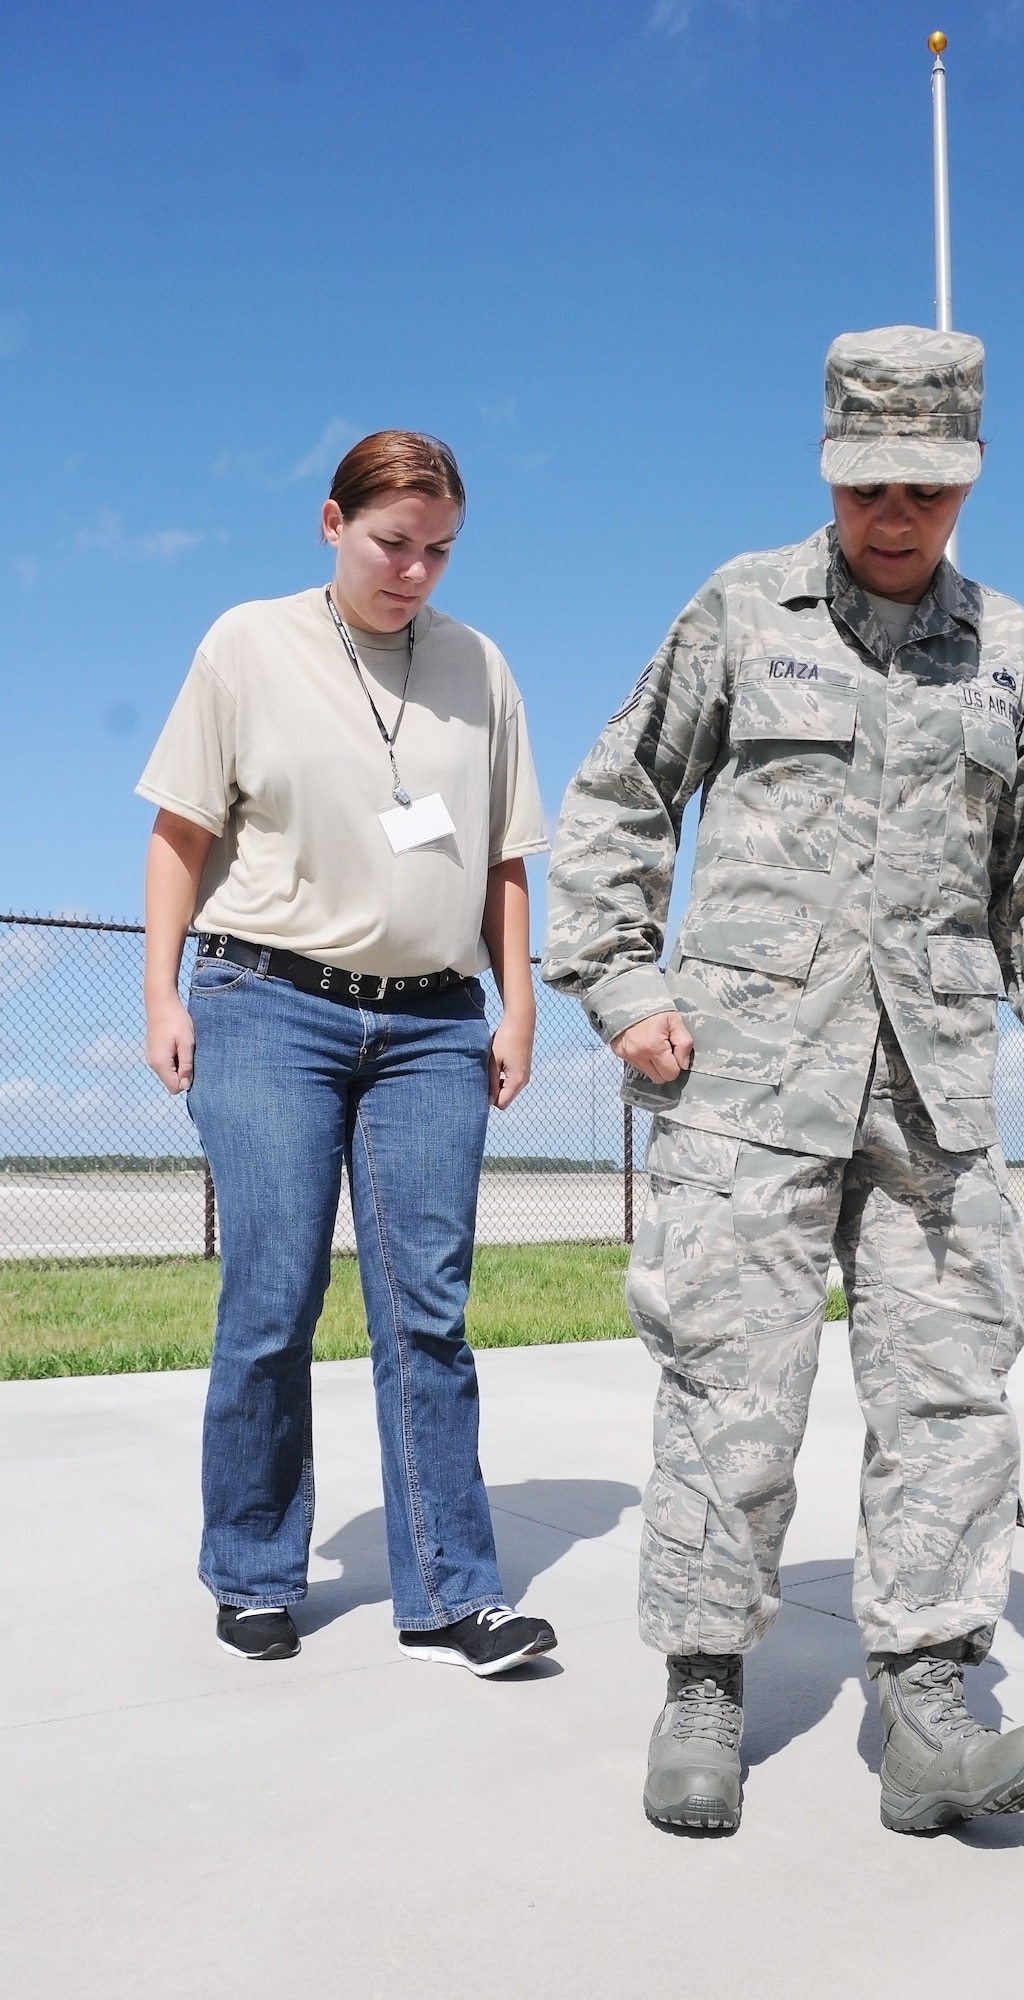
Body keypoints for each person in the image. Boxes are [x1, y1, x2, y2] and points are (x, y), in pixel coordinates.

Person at [543, 327, 1024, 1835]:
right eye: (869, 481)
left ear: (971, 477)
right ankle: (701, 1684)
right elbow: (616, 798)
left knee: (949, 1397)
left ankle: (929, 1704)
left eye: (926, 489)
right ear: (829, 467)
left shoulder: (1010, 646)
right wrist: (623, 986)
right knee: (731, 1392)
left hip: (932, 1094)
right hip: (745, 1079)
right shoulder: (744, 607)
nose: (895, 513)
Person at [138, 430, 558, 1675]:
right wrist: (159, 989)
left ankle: (450, 1593)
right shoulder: (245, 644)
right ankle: (256, 1566)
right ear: (331, 523)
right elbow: (178, 829)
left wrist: (517, 1001)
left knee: (426, 1313)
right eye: (392, 543)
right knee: (272, 1298)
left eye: (438, 550)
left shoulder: (478, 666)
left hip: (434, 1023)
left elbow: (501, 857)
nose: (415, 571)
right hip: (267, 1004)